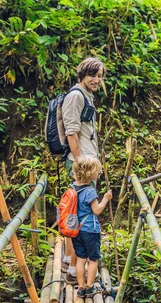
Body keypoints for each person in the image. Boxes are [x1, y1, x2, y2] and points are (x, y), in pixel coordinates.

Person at [62, 57, 106, 283]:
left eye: (99, 76)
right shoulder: (75, 96)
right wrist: (82, 166)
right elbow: (71, 133)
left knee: (79, 213)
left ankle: (72, 260)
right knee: (78, 215)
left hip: (88, 163)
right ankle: (72, 268)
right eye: (93, 75)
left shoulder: (86, 96)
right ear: (82, 76)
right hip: (81, 164)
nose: (97, 80)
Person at [70, 155, 112, 298]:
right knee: (93, 259)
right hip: (90, 230)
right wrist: (105, 199)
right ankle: (89, 286)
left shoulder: (72, 189)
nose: (98, 173)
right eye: (96, 171)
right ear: (89, 173)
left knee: (81, 259)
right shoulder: (90, 191)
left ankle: (80, 288)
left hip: (77, 230)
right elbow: (97, 210)